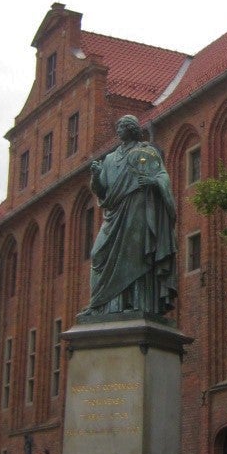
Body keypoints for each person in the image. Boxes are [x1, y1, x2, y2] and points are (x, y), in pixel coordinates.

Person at [84, 114, 177, 317]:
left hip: (138, 210)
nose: (118, 130)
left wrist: (153, 182)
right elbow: (103, 192)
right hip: (115, 213)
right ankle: (102, 304)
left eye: (122, 126)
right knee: (98, 253)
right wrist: (96, 176)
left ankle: (136, 304)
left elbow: (161, 176)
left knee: (135, 255)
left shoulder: (146, 151)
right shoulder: (109, 159)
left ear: (132, 129)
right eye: (117, 127)